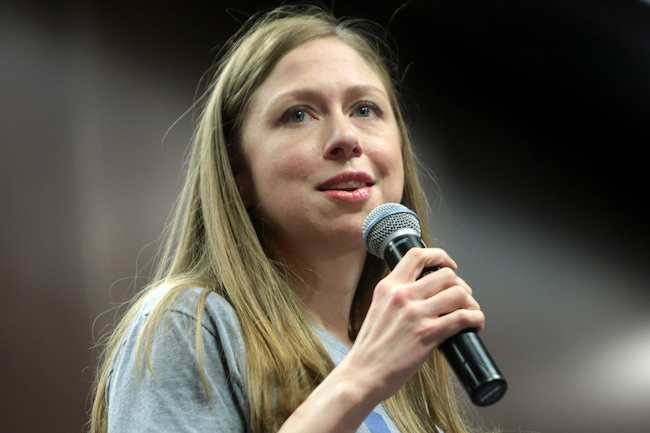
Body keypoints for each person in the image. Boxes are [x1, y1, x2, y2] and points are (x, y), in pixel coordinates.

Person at [88, 4, 486, 433]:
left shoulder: (407, 375)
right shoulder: (191, 326)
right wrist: (360, 379)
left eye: (365, 109)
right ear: (237, 169)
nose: (346, 138)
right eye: (298, 114)